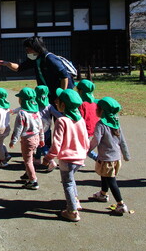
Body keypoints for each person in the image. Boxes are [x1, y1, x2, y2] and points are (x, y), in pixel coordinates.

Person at [42, 88, 89, 222]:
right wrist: (83, 153)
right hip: (79, 158)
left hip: (67, 159)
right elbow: (86, 141)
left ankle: (72, 211)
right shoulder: (80, 120)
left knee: (67, 183)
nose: (56, 102)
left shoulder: (61, 121)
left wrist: (48, 158)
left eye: (58, 100)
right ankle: (75, 201)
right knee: (71, 180)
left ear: (63, 104)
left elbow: (56, 145)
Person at [0, 36, 74, 104]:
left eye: (28, 49)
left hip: (60, 92)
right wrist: (7, 63)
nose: (27, 51)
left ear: (36, 48)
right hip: (48, 93)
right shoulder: (35, 59)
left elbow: (64, 76)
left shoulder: (50, 58)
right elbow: (19, 68)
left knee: (61, 116)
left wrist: (61, 95)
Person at [88, 97, 131, 215]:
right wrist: (126, 155)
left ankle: (121, 204)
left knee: (111, 181)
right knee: (105, 176)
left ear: (103, 111)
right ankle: (103, 194)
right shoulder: (116, 123)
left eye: (98, 108)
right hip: (116, 159)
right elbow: (122, 141)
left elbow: (96, 140)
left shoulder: (100, 124)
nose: (95, 109)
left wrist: (86, 150)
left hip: (107, 159)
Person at [9, 87, 44, 190]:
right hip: (36, 138)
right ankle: (28, 173)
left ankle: (33, 181)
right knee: (31, 158)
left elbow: (18, 129)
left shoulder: (22, 114)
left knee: (27, 161)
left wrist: (13, 140)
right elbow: (41, 127)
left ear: (22, 100)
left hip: (27, 140)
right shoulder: (36, 112)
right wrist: (42, 139)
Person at [34, 85, 62, 172]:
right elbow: (57, 114)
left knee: (41, 145)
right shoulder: (49, 106)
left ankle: (51, 161)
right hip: (47, 129)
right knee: (42, 144)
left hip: (37, 129)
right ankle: (37, 158)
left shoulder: (34, 105)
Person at [76, 79, 99, 161]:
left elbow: (79, 118)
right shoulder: (94, 102)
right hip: (93, 129)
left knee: (84, 148)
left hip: (85, 130)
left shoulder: (81, 104)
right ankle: (80, 160)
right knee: (83, 146)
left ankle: (98, 158)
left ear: (81, 91)